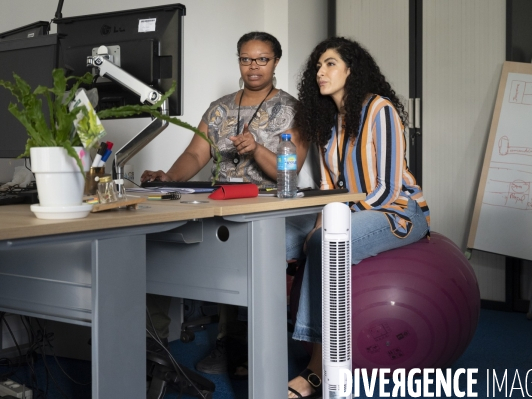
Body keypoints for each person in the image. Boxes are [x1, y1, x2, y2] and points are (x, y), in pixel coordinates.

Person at [141, 31, 309, 377]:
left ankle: (239, 342)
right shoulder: (218, 109)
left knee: (242, 258)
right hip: (218, 202)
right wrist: (169, 178)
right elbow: (194, 153)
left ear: (275, 61)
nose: (254, 67)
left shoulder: (294, 110)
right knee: (153, 246)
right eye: (246, 59)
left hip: (265, 207)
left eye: (262, 59)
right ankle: (149, 346)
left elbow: (288, 173)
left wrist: (256, 149)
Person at [285, 37, 431, 398]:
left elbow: (386, 188)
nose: (321, 72)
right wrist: (321, 216)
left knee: (322, 242)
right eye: (317, 66)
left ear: (352, 70)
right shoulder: (327, 124)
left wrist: (326, 224)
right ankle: (257, 343)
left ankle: (316, 369)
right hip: (347, 212)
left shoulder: (379, 109)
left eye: (330, 64)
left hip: (397, 212)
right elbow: (328, 187)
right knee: (276, 234)